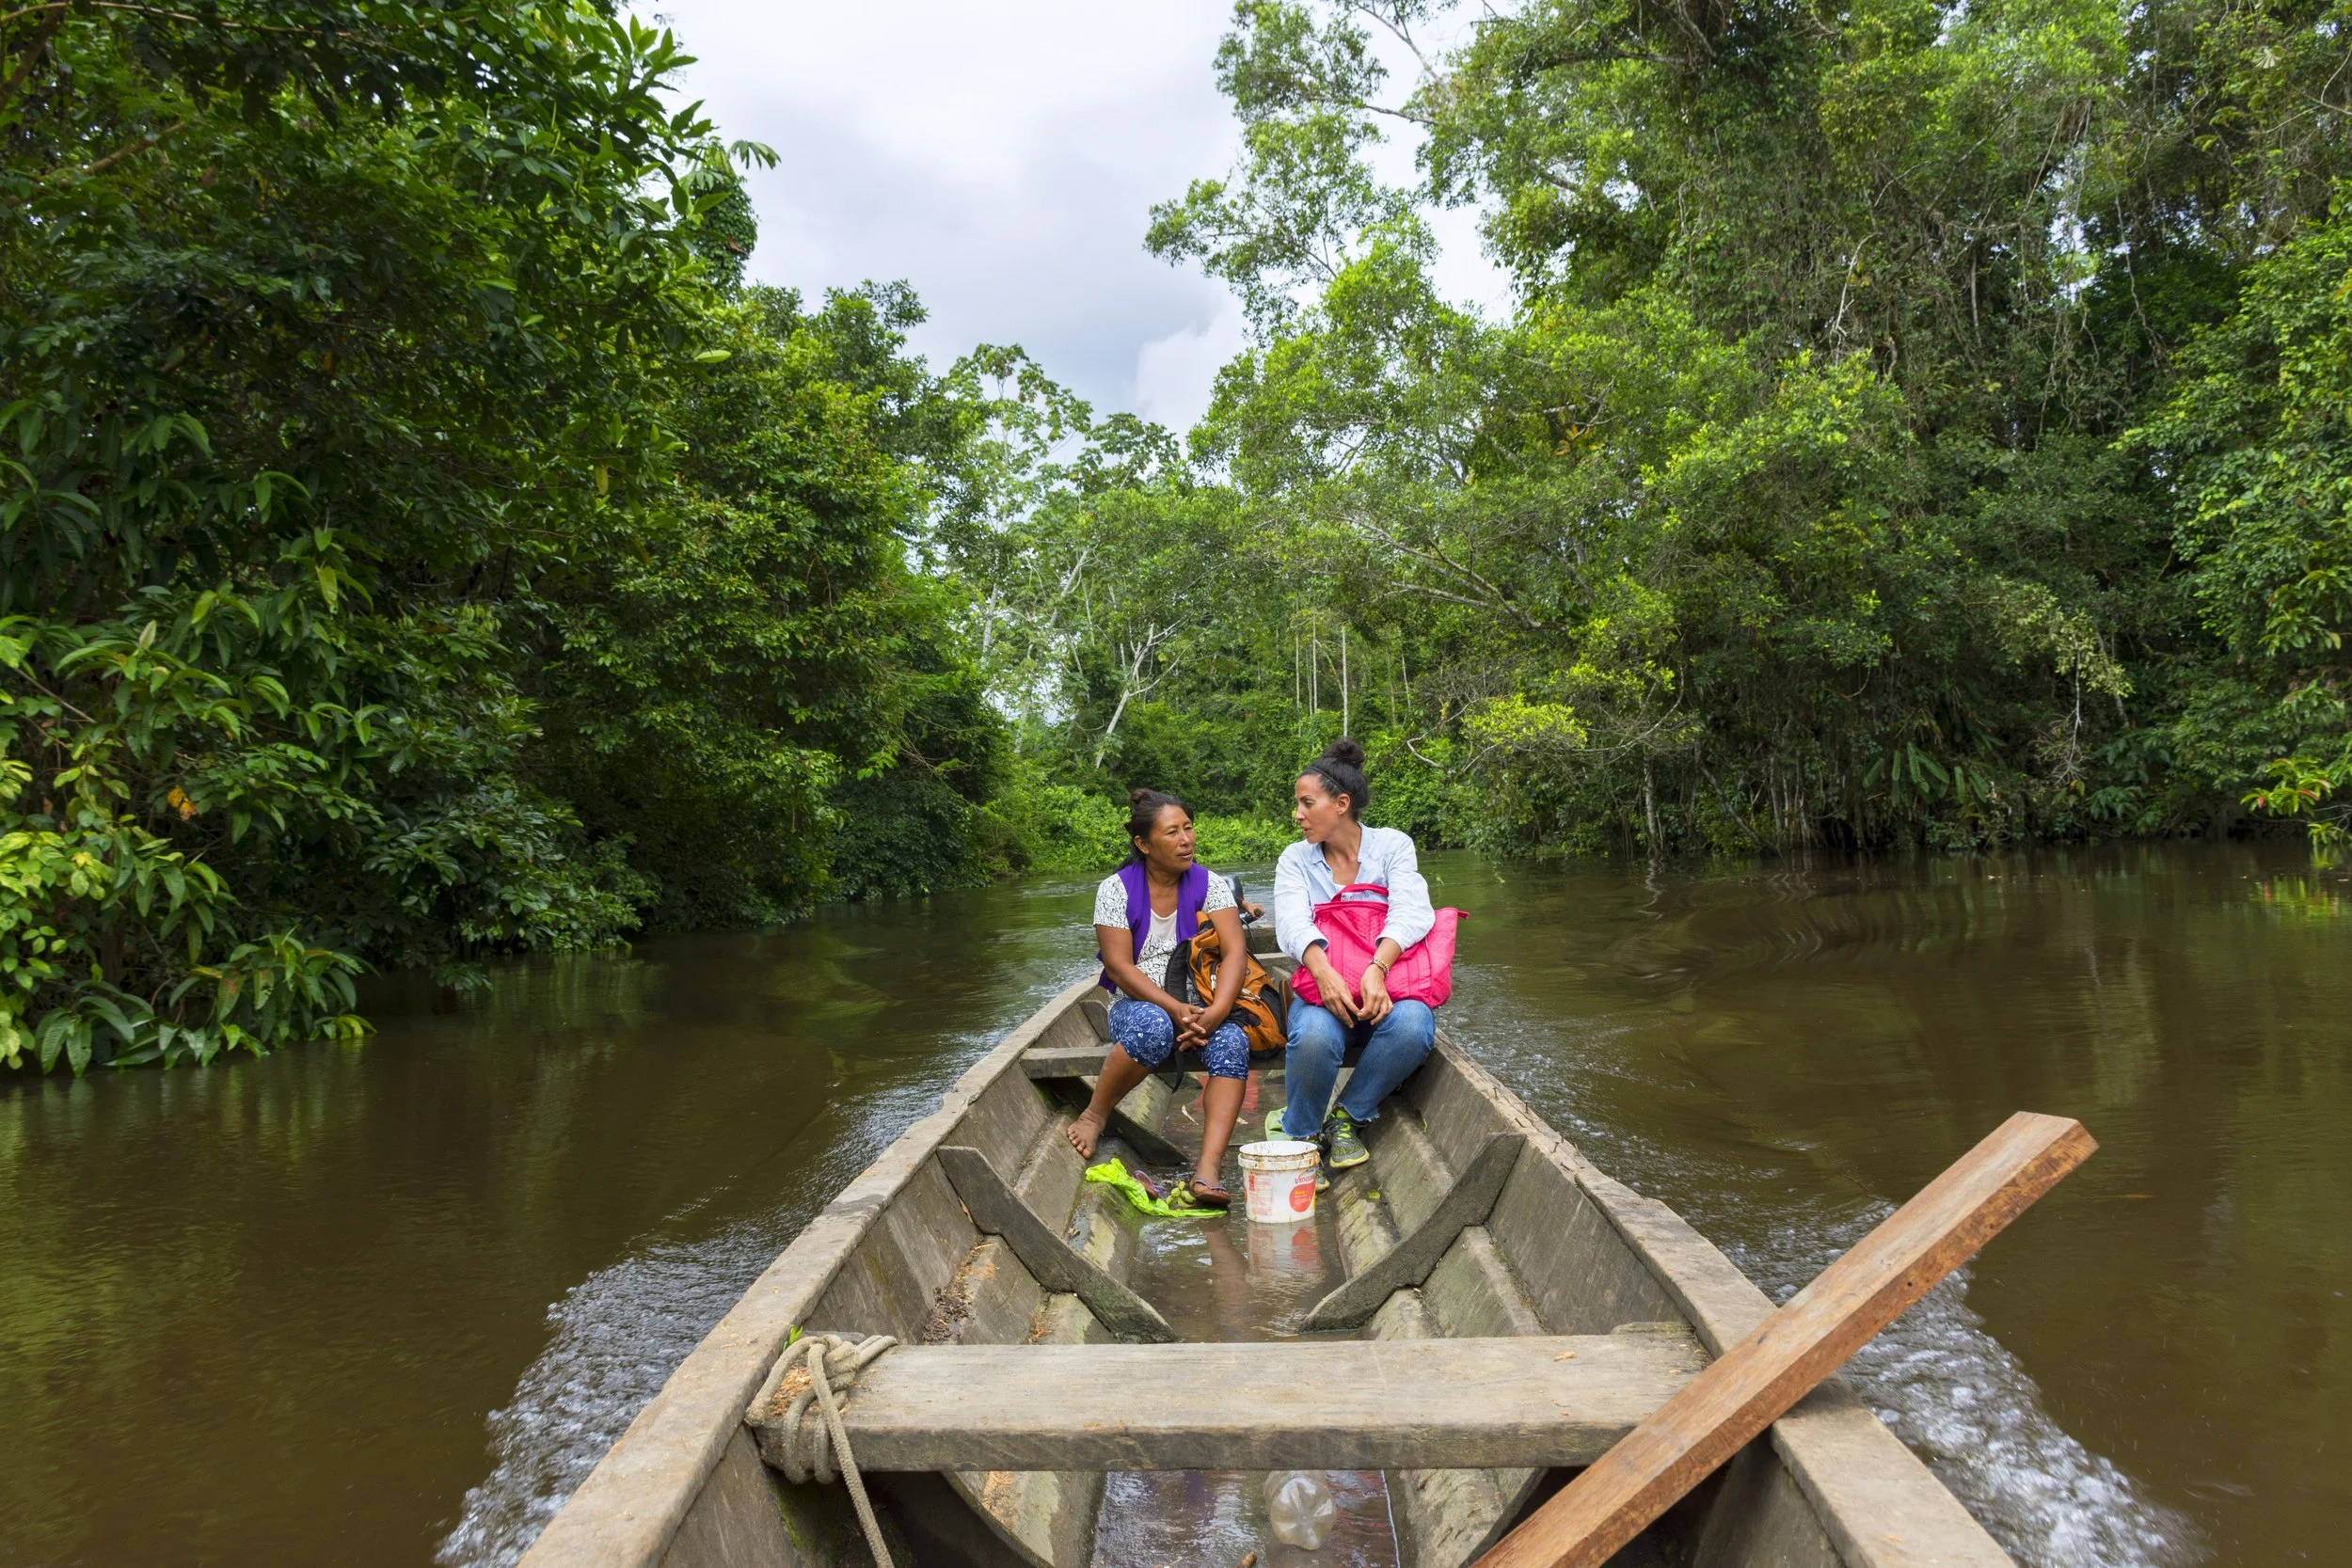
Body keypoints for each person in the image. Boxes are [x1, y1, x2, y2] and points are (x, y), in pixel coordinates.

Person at [1067, 788, 1252, 1209]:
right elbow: (1119, 969)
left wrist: (1217, 1011)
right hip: (1138, 1006)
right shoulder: (1115, 890)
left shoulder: (1212, 884)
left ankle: (1207, 1172)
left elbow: (1235, 951)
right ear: (1144, 844)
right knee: (1152, 1025)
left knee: (1233, 1042)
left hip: (1203, 1002)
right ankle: (1095, 1114)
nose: (1186, 839)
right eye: (1173, 832)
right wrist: (1175, 1011)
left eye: (1188, 828)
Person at [1268, 737, 1438, 1174]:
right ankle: (1302, 1135)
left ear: (1341, 803)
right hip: (1327, 989)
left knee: (1415, 1026)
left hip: (1384, 988)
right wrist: (1323, 974)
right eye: (1298, 804)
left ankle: (1346, 1118)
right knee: (1316, 1037)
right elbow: (1291, 923)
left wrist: (1377, 970)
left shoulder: (1393, 846)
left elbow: (1413, 912)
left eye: (1307, 804)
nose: (1297, 815)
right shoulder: (1295, 860)